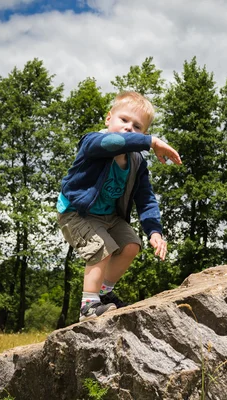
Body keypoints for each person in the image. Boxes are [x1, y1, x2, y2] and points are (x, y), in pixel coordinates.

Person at [57, 91, 182, 321]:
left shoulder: (136, 162)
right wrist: (151, 141)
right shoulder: (93, 142)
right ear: (108, 118)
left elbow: (146, 198)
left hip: (108, 216)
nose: (128, 128)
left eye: (137, 127)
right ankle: (88, 305)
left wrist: (154, 230)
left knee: (131, 245)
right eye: (123, 120)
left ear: (142, 133)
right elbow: (113, 142)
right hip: (77, 213)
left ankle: (103, 294)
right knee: (101, 246)